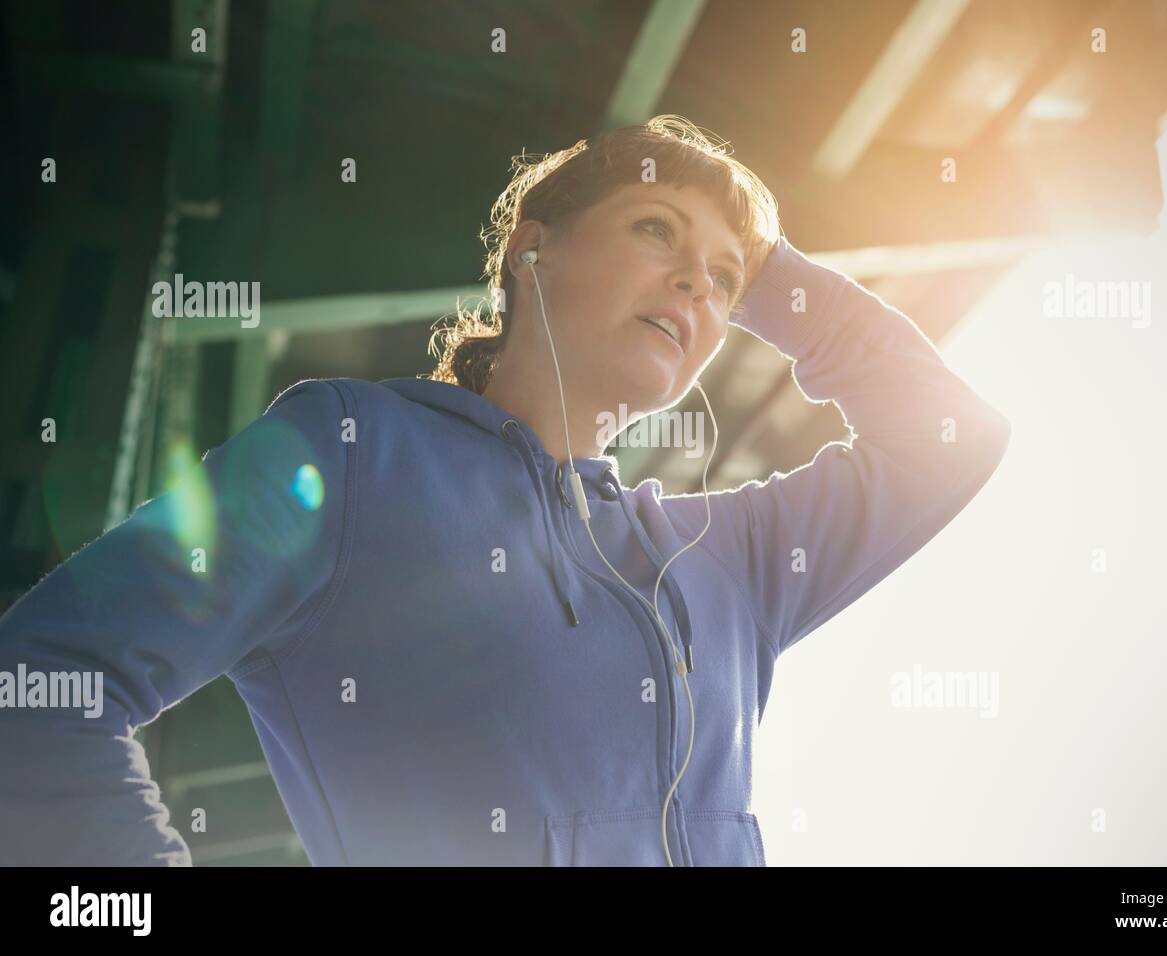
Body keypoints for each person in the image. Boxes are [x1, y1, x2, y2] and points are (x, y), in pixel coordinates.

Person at [0, 115, 1011, 866]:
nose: (697, 286)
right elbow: (41, 683)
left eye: (724, 279)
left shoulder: (730, 562)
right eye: (657, 231)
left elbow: (950, 437)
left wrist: (771, 268)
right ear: (533, 246)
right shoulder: (354, 452)